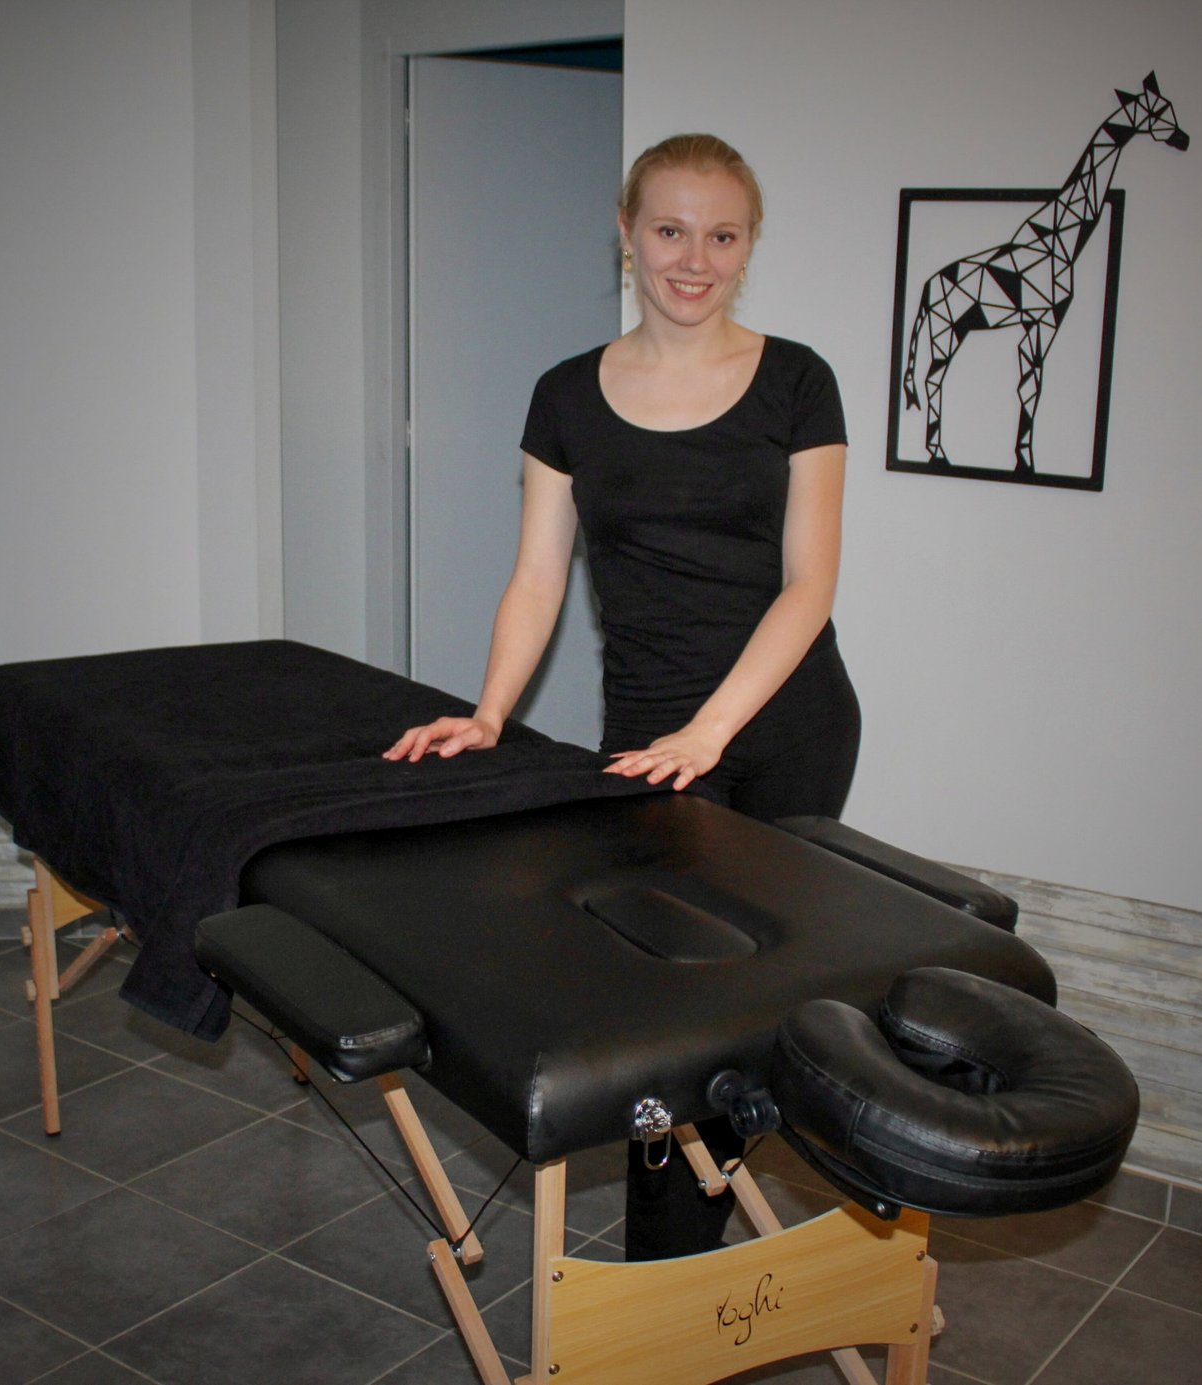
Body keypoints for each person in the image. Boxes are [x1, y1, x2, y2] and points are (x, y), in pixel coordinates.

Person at [385, 133, 860, 1259]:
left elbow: (811, 586)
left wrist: (712, 726)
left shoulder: (798, 379)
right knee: (663, 1014)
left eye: (722, 234)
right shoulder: (565, 396)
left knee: (760, 1003)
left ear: (749, 247)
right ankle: (675, 1274)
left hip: (782, 724)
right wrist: (490, 709)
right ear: (626, 232)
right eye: (669, 228)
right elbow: (539, 576)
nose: (693, 258)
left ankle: (706, 1264)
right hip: (646, 742)